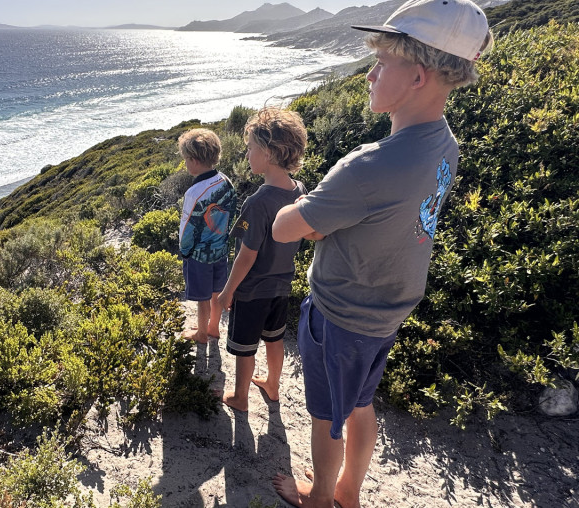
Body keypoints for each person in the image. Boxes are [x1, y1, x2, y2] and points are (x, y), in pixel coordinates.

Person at [270, 0, 494, 506]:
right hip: (387, 311)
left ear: (417, 76)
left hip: (341, 313)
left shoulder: (367, 167)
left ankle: (320, 497)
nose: (369, 75)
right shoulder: (445, 144)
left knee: (326, 416)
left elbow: (285, 228)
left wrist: (313, 216)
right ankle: (348, 490)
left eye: (381, 62)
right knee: (360, 404)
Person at [218, 107, 308, 412]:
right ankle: (272, 385)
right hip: (281, 286)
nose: (247, 155)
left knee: (245, 348)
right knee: (274, 339)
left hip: (252, 290)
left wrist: (228, 291)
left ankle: (240, 397)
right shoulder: (299, 190)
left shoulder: (257, 203)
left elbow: (247, 255)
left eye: (250, 148)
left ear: (268, 153)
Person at [178, 128, 237, 343]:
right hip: (220, 248)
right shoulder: (226, 181)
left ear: (194, 160)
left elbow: (187, 229)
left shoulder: (194, 193)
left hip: (200, 254)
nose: (185, 163)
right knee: (216, 292)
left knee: (202, 297)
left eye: (186, 159)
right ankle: (213, 327)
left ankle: (202, 334)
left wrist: (185, 252)